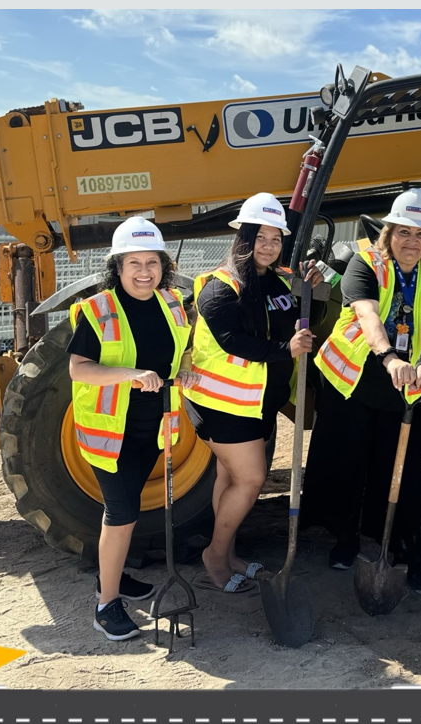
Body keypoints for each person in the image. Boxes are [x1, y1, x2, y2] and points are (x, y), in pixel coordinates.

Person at [302, 188, 421, 599]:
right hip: (353, 377)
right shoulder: (364, 263)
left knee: (403, 472)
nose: (412, 241)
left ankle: (408, 553)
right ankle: (345, 539)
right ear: (388, 233)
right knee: (348, 461)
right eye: (403, 231)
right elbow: (367, 315)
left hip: (408, 381)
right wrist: (389, 357)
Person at [184, 192, 327, 594]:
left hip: (258, 401)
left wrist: (314, 288)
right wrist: (287, 351)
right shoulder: (220, 288)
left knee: (230, 476)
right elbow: (233, 342)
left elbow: (298, 321)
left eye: (275, 238)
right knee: (251, 479)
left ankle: (228, 555)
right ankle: (214, 557)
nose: (268, 245)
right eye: (259, 237)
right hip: (224, 405)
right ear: (242, 238)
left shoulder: (277, 280)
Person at [66, 216, 198, 641]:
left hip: (151, 430)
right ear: (117, 268)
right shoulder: (98, 310)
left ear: (163, 266)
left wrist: (187, 369)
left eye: (152, 263)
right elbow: (79, 369)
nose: (144, 272)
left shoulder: (173, 303)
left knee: (129, 511)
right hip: (111, 434)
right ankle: (106, 606)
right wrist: (131, 373)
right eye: (134, 263)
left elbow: (183, 351)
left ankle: (114, 578)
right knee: (120, 514)